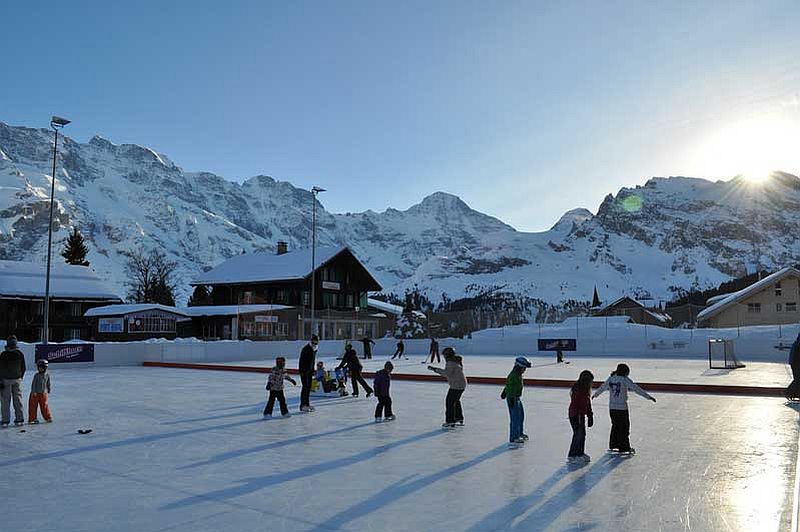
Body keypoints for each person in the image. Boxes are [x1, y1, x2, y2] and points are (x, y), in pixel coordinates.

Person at [592, 363, 656, 454]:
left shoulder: (611, 378)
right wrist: (648, 397)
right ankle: (624, 447)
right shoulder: (624, 379)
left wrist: (595, 394)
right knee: (624, 427)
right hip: (622, 408)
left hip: (612, 408)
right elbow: (636, 389)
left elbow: (603, 387)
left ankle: (614, 445)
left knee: (615, 426)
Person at [428, 347, 467, 428]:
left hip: (456, 385)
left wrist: (435, 369)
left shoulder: (450, 363)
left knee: (449, 402)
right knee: (456, 401)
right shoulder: (456, 361)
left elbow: (446, 373)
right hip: (461, 385)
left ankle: (450, 421)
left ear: (447, 355)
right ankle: (458, 418)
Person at [501, 356, 532, 447]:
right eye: (524, 368)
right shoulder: (513, 375)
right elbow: (509, 385)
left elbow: (508, 385)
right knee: (515, 418)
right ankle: (514, 437)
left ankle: (519, 433)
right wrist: (507, 395)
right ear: (519, 367)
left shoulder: (518, 374)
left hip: (517, 398)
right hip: (512, 398)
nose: (525, 370)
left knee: (520, 416)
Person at [567, 370, 594, 463]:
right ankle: (572, 455)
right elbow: (577, 404)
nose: (591, 383)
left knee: (582, 434)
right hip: (575, 415)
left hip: (580, 415)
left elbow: (588, 403)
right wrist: (579, 415)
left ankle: (580, 453)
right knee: (578, 434)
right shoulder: (578, 389)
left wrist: (590, 415)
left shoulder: (585, 390)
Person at [0, 335, 26, 427]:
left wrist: (0, 380)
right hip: (17, 380)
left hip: (6, 380)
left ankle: (5, 421)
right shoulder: (19, 354)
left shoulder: (3, 354)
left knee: (5, 401)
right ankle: (20, 419)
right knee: (18, 400)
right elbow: (23, 367)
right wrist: (20, 377)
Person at [298, 335, 319, 412]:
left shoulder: (314, 349)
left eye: (317, 341)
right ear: (312, 341)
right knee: (305, 387)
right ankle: (302, 405)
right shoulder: (306, 349)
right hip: (304, 371)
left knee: (308, 388)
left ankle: (307, 404)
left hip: (309, 371)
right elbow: (301, 361)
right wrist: (302, 371)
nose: (316, 343)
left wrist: (313, 370)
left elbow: (312, 362)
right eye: (314, 341)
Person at [28, 359, 53, 424]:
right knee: (33, 406)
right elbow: (33, 384)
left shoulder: (47, 375)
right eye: (39, 368)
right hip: (35, 393)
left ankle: (47, 418)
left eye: (41, 368)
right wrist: (33, 392)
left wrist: (49, 388)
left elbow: (48, 383)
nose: (40, 369)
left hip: (43, 393)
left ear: (45, 368)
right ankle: (32, 419)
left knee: (44, 406)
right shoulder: (36, 375)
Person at [787, 333, 800, 400]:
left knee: (797, 379)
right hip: (796, 363)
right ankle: (789, 392)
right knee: (798, 379)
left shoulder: (796, 343)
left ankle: (794, 393)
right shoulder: (797, 345)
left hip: (795, 363)